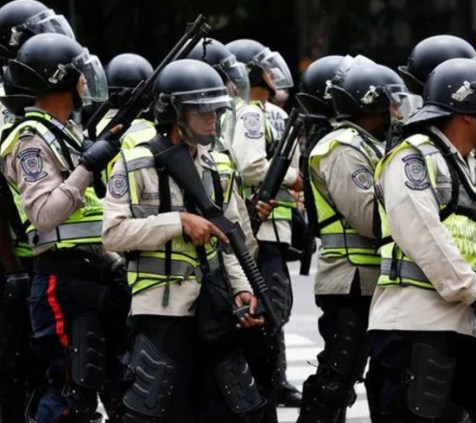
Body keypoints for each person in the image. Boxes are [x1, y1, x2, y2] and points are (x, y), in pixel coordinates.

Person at [102, 58, 272, 422]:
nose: (212, 118)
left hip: (214, 309)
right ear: (174, 112)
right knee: (153, 412)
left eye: (215, 110)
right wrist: (177, 222)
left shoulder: (218, 165)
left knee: (242, 409)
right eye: (201, 111)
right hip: (160, 313)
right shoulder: (135, 162)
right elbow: (112, 234)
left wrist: (242, 289)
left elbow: (230, 238)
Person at [366, 58, 476, 422]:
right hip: (415, 324)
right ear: (467, 112)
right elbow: (423, 235)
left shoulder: (467, 165)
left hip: (460, 322)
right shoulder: (412, 158)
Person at [0, 32, 128, 422]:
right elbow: (44, 213)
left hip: (92, 276)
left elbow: (90, 215)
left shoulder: (66, 134)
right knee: (71, 390)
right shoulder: (30, 141)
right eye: (79, 74)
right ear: (59, 79)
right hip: (60, 279)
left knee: (107, 385)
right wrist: (88, 167)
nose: (86, 82)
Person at [297, 63, 408, 423]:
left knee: (385, 374)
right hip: (350, 280)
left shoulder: (373, 145)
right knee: (338, 375)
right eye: (390, 103)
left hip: (376, 278)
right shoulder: (341, 148)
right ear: (370, 105)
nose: (397, 111)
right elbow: (371, 218)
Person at [226, 38, 303, 408]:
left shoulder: (261, 111)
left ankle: (275, 377)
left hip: (275, 227)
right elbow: (250, 165)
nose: (275, 76)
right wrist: (293, 178)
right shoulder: (252, 113)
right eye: (266, 69)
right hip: (261, 228)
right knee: (268, 306)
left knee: (273, 304)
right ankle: (263, 381)